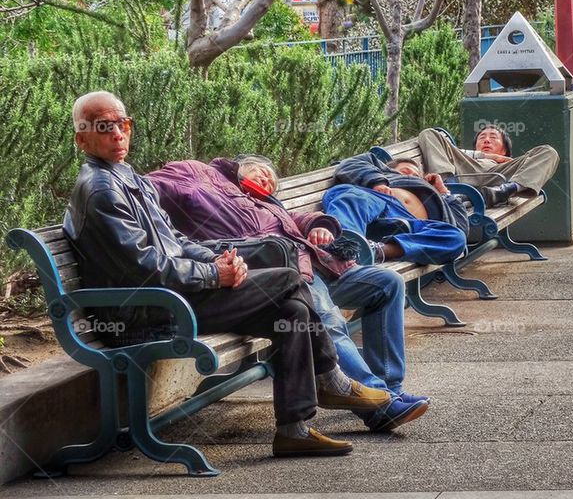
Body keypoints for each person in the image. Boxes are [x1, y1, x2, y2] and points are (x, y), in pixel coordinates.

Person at [63, 92, 392, 459]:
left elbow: (178, 241)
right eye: (105, 128)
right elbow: (145, 269)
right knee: (287, 278)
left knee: (292, 314)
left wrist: (221, 260)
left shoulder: (128, 179)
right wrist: (212, 275)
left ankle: (293, 430)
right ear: (82, 139)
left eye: (123, 125)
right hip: (143, 312)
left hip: (171, 297)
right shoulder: (101, 191)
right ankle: (330, 378)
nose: (118, 135)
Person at [147, 156, 430, 432]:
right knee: (328, 319)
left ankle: (388, 390)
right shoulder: (202, 174)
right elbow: (148, 187)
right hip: (278, 272)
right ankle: (378, 407)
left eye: (271, 180)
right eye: (262, 171)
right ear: (240, 166)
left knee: (387, 282)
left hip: (321, 266)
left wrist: (320, 225)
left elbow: (299, 217)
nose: (267, 179)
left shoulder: (263, 202)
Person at [326, 153, 468, 265]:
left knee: (456, 237)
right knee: (353, 197)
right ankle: (344, 251)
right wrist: (377, 182)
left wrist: (443, 192)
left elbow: (462, 227)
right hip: (379, 202)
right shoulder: (384, 174)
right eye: (405, 171)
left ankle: (375, 251)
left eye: (416, 176)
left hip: (410, 228)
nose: (411, 176)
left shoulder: (436, 197)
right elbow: (350, 163)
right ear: (389, 170)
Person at [417, 127, 559, 207]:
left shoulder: (510, 163)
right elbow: (449, 148)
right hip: (465, 172)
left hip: (499, 177)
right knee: (429, 132)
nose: (486, 139)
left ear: (504, 150)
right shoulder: (463, 155)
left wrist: (499, 161)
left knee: (549, 152)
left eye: (493, 137)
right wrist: (488, 156)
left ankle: (504, 191)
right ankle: (451, 191)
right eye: (482, 137)